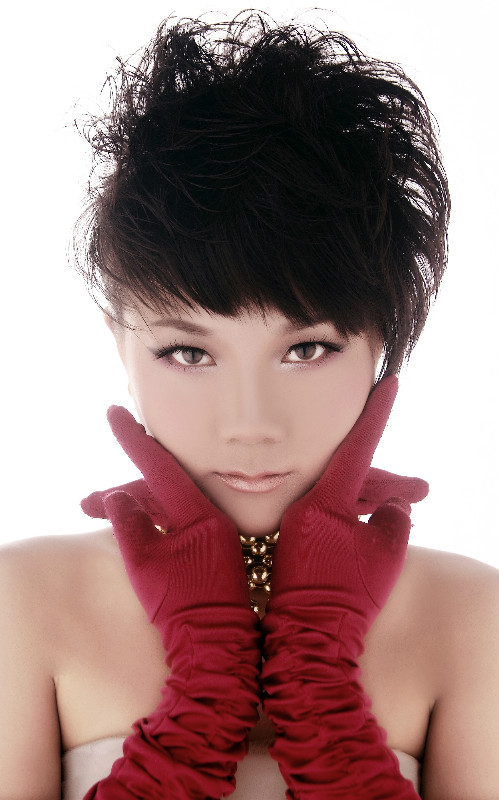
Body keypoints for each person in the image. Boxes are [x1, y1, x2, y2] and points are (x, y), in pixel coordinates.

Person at [0, 11, 497, 799]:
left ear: (381, 347)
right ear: (118, 344)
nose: (251, 423)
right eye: (187, 352)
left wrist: (322, 689)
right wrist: (202, 694)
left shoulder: (471, 615)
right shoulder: (23, 600)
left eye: (306, 349)